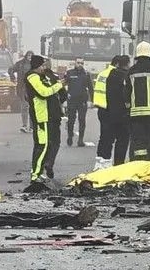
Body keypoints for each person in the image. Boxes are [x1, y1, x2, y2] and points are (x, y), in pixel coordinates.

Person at [25, 55, 67, 190]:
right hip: (41, 116)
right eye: (42, 66)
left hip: (48, 115)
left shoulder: (42, 76)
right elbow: (43, 92)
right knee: (41, 146)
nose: (44, 68)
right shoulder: (32, 77)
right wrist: (59, 85)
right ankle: (35, 174)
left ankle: (38, 172)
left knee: (44, 145)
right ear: (37, 66)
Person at [104, 54, 132, 165]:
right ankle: (118, 163)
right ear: (127, 64)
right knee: (122, 140)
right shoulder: (126, 76)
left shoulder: (111, 74)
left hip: (111, 112)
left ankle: (106, 161)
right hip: (123, 113)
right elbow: (127, 94)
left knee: (109, 140)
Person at [63, 57, 91, 146]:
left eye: (82, 63)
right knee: (71, 120)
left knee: (82, 120)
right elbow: (63, 84)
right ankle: (70, 136)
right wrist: (64, 98)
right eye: (78, 63)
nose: (80, 65)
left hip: (82, 100)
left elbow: (91, 88)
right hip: (72, 100)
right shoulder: (69, 73)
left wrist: (92, 100)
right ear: (75, 63)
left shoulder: (86, 74)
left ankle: (80, 140)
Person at [11, 50, 33, 133]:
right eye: (28, 55)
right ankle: (24, 125)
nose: (30, 56)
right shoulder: (20, 64)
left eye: (31, 55)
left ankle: (32, 126)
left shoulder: (36, 65)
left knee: (32, 108)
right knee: (24, 107)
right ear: (26, 56)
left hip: (33, 89)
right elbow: (11, 69)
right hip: (23, 88)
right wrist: (12, 76)